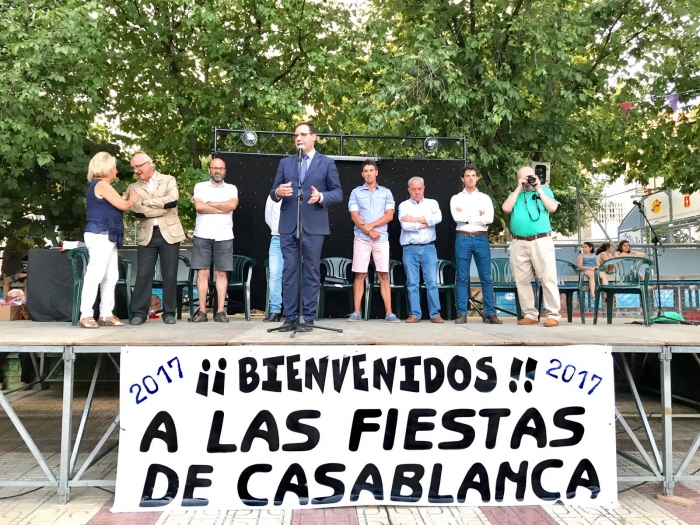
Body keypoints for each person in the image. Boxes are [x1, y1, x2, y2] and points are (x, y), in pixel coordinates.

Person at [270, 122, 343, 332]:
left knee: (311, 271)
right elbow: (273, 191)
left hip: (314, 225)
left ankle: (308, 317)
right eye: (295, 136)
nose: (298, 139)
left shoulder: (326, 163)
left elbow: (337, 193)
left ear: (314, 137)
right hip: (288, 225)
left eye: (302, 135)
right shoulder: (285, 163)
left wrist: (321, 196)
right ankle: (291, 316)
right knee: (289, 271)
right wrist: (278, 193)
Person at [78, 152, 140, 328]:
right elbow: (123, 205)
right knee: (95, 274)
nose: (116, 170)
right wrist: (133, 199)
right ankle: (86, 315)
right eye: (114, 166)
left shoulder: (101, 185)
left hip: (107, 234)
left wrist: (126, 199)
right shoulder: (101, 185)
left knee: (111, 276)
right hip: (100, 234)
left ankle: (106, 314)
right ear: (106, 167)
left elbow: (118, 203)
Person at [128, 153, 186, 325]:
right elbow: (137, 210)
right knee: (144, 274)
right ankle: (139, 313)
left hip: (170, 233)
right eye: (133, 168)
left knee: (170, 273)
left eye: (138, 166)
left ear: (148, 164)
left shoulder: (168, 179)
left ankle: (169, 313)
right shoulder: (132, 187)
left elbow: (172, 201)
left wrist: (148, 204)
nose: (136, 171)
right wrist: (160, 207)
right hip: (147, 235)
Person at [501, 166, 561, 327]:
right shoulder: (516, 194)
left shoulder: (545, 192)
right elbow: (506, 208)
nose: (527, 180)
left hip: (541, 240)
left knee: (547, 277)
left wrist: (538, 189)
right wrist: (518, 188)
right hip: (519, 241)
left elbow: (553, 207)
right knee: (521, 279)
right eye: (523, 178)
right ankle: (530, 313)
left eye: (530, 177)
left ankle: (553, 314)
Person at [347, 160, 399, 322]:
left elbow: (389, 215)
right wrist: (369, 230)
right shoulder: (356, 192)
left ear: (377, 172)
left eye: (371, 170)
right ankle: (356, 312)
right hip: (362, 238)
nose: (369, 173)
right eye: (366, 171)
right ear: (362, 174)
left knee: (384, 274)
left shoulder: (386, 193)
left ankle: (389, 313)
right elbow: (354, 216)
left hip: (381, 239)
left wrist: (372, 226)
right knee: (360, 274)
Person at [188, 158, 239, 323]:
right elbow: (199, 207)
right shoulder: (200, 187)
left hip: (224, 235)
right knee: (202, 272)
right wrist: (220, 207)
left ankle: (220, 312)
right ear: (209, 170)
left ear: (225, 170)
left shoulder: (232, 188)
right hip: (202, 234)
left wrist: (209, 203)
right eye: (214, 168)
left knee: (222, 273)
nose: (218, 171)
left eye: (221, 168)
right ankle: (202, 311)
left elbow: (232, 206)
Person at [450, 165, 502, 325]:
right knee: (462, 277)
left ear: (477, 178)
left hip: (481, 238)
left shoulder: (485, 198)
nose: (471, 178)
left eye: (473, 175)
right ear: (462, 179)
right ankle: (462, 314)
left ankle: (490, 314)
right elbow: (457, 218)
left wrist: (469, 216)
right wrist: (478, 215)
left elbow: (489, 218)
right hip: (463, 238)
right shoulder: (456, 198)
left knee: (486, 277)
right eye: (467, 175)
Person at [399, 177, 444, 323]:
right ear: (409, 190)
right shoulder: (403, 205)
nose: (417, 192)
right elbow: (405, 226)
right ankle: (415, 314)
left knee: (432, 282)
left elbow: (438, 219)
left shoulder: (432, 203)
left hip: (429, 248)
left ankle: (435, 314)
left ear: (423, 188)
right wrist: (426, 222)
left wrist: (414, 219)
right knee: (412, 283)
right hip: (409, 249)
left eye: (419, 189)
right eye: (413, 189)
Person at [264, 195, 284, 322]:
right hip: (277, 238)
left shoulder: (300, 193)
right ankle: (275, 311)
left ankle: (294, 311)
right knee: (275, 275)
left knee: (295, 275)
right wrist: (277, 230)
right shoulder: (273, 196)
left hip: (295, 239)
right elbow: (268, 217)